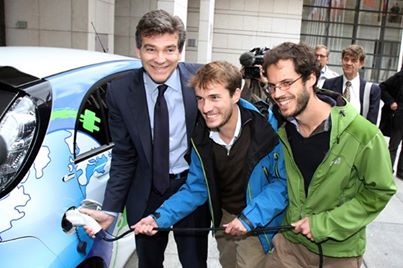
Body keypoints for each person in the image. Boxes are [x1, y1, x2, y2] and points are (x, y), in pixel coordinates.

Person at [79, 9, 210, 268]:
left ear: (180, 51)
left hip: (190, 188)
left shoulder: (200, 80)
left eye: (169, 49)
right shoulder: (119, 92)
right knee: (148, 263)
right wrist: (110, 209)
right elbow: (124, 155)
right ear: (138, 50)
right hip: (147, 191)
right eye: (151, 49)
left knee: (195, 263)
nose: (160, 59)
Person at [133, 61, 288, 268]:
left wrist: (250, 218)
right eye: (200, 99)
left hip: (261, 218)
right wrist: (158, 218)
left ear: (235, 95)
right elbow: (197, 188)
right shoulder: (201, 137)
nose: (206, 108)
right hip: (227, 219)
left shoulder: (266, 129)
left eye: (215, 97)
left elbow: (281, 183)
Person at [263, 42, 396, 268]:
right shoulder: (281, 129)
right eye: (272, 86)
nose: (277, 94)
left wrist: (324, 224)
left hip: (339, 254)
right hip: (289, 247)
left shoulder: (363, 134)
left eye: (286, 83)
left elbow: (379, 192)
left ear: (311, 78)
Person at [323, 44, 381, 125]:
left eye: (353, 60)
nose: (348, 63)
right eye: (346, 59)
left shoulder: (371, 90)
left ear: (361, 63)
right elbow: (323, 114)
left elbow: (371, 124)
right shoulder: (329, 84)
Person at [379, 69, 403, 179]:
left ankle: (401, 172)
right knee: (394, 145)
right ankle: (387, 170)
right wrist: (391, 102)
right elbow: (382, 87)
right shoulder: (399, 76)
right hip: (399, 116)